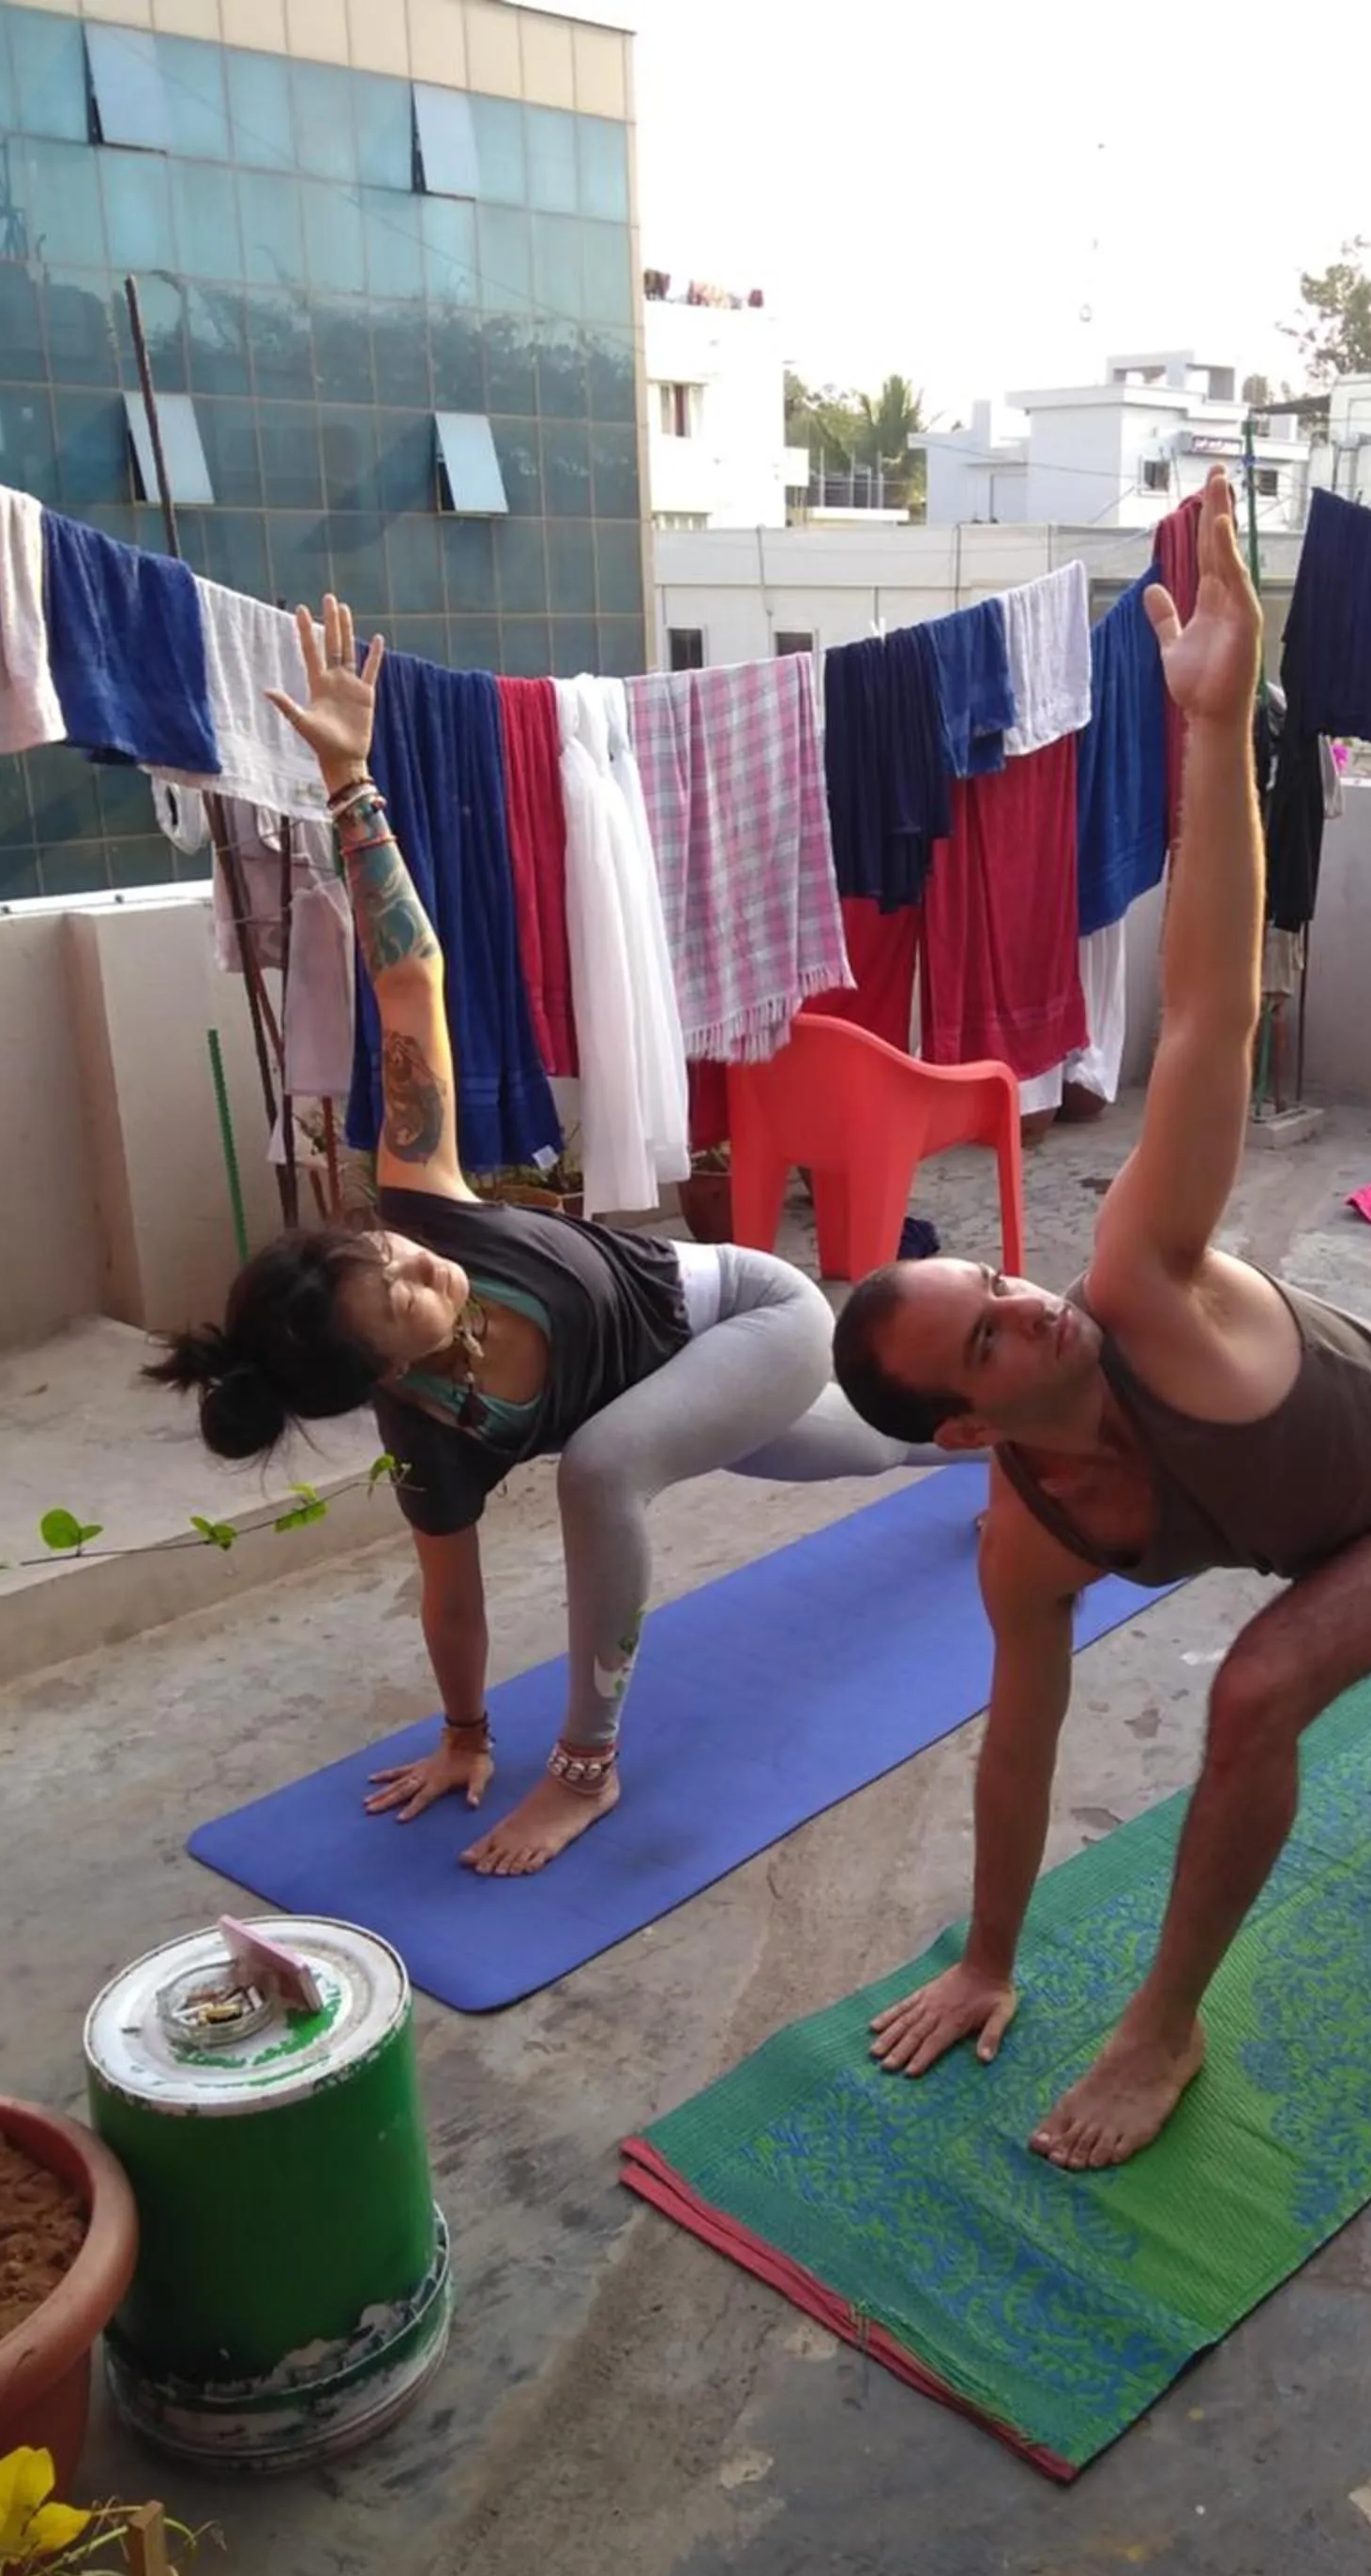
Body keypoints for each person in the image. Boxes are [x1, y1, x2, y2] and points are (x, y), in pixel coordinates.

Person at [831, 470, 1371, 2172]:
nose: (1026, 1306)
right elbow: (1017, 1750)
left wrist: (1215, 728)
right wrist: (985, 1957)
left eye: (996, 1285)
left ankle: (1164, 2024)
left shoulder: (1136, 1283)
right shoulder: (1028, 1536)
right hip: (1347, 1521)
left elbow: (1211, 1013)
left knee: (1263, 1683)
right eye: (986, 1340)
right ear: (969, 1430)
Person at [151, 596, 954, 1877]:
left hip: (751, 1312)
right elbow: (452, 1592)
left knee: (600, 1471)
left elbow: (408, 982)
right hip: (680, 1396)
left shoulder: (422, 1195)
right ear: (386, 1373)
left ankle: (588, 1768)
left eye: (388, 1256)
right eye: (403, 1301)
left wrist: (351, 782)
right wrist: (463, 1735)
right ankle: (1004, 1437)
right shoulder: (432, 1440)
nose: (422, 1265)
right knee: (878, 1450)